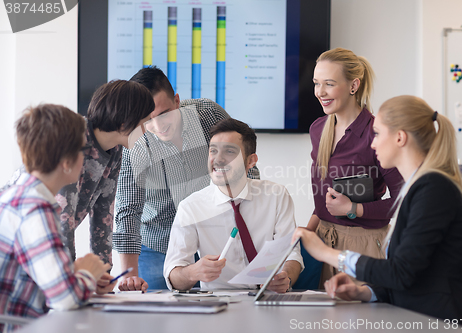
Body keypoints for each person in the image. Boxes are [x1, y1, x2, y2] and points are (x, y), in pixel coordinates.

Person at [294, 95, 462, 321]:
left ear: (400, 138)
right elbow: (410, 272)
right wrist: (364, 291)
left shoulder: (434, 189)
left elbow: (401, 273)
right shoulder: (419, 187)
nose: (372, 143)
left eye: (377, 133)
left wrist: (326, 253)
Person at [114, 67, 259, 290]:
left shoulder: (206, 114)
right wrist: (129, 277)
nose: (158, 126)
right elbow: (128, 210)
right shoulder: (135, 143)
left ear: (177, 101)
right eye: (147, 119)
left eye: (164, 114)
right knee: (158, 320)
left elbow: (243, 162)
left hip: (215, 239)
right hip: (158, 243)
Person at [1, 80, 155, 289]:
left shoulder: (117, 150)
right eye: (144, 122)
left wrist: (104, 274)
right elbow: (63, 220)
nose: (146, 131)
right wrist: (73, 280)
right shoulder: (74, 140)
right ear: (124, 123)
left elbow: (105, 214)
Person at [0, 105, 113, 332]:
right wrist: (86, 274)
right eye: (82, 149)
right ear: (66, 161)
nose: (86, 157)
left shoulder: (16, 196)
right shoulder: (35, 209)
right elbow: (65, 298)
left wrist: (75, 272)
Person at [164, 118, 303, 292]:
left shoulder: (276, 195)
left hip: (270, 298)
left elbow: (292, 254)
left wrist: (286, 277)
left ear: (251, 161)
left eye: (230, 151)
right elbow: (173, 275)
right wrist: (193, 272)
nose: (218, 159)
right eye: (213, 150)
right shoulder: (191, 207)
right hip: (219, 303)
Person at [307, 48, 403, 285]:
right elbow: (324, 197)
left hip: (363, 245)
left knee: (359, 321)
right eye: (316, 83)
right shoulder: (318, 129)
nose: (320, 92)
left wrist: (354, 208)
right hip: (322, 241)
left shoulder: (376, 133)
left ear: (353, 86)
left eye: (329, 84)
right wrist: (306, 233)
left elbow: (404, 200)